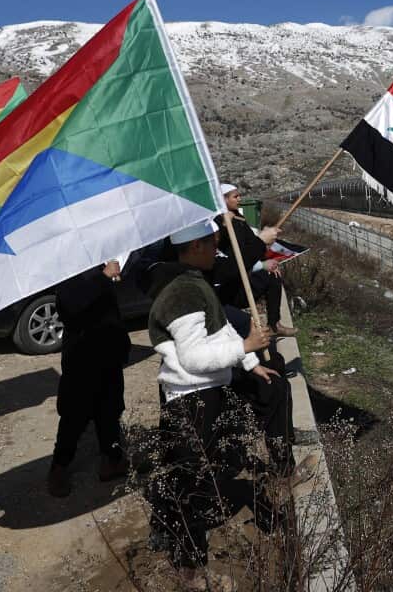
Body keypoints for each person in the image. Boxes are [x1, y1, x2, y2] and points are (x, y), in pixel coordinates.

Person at [147, 219, 280, 583]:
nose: (217, 250)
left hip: (203, 392)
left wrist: (250, 363)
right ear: (194, 248)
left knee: (196, 471)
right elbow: (193, 358)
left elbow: (218, 329)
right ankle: (188, 559)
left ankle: (177, 538)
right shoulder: (183, 293)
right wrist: (246, 347)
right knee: (192, 478)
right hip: (190, 398)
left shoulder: (195, 283)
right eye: (212, 243)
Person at [46, 259, 130, 498]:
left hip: (109, 351)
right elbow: (72, 306)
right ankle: (59, 468)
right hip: (82, 357)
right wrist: (103, 278)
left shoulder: (97, 263)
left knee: (110, 410)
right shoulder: (67, 270)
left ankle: (112, 461)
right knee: (74, 415)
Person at [214, 183, 297, 337]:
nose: (239, 199)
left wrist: (267, 257)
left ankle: (274, 324)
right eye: (235, 196)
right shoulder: (217, 223)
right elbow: (230, 259)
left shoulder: (239, 218)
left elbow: (252, 244)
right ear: (223, 200)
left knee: (273, 276)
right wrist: (225, 224)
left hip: (245, 271)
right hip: (230, 283)